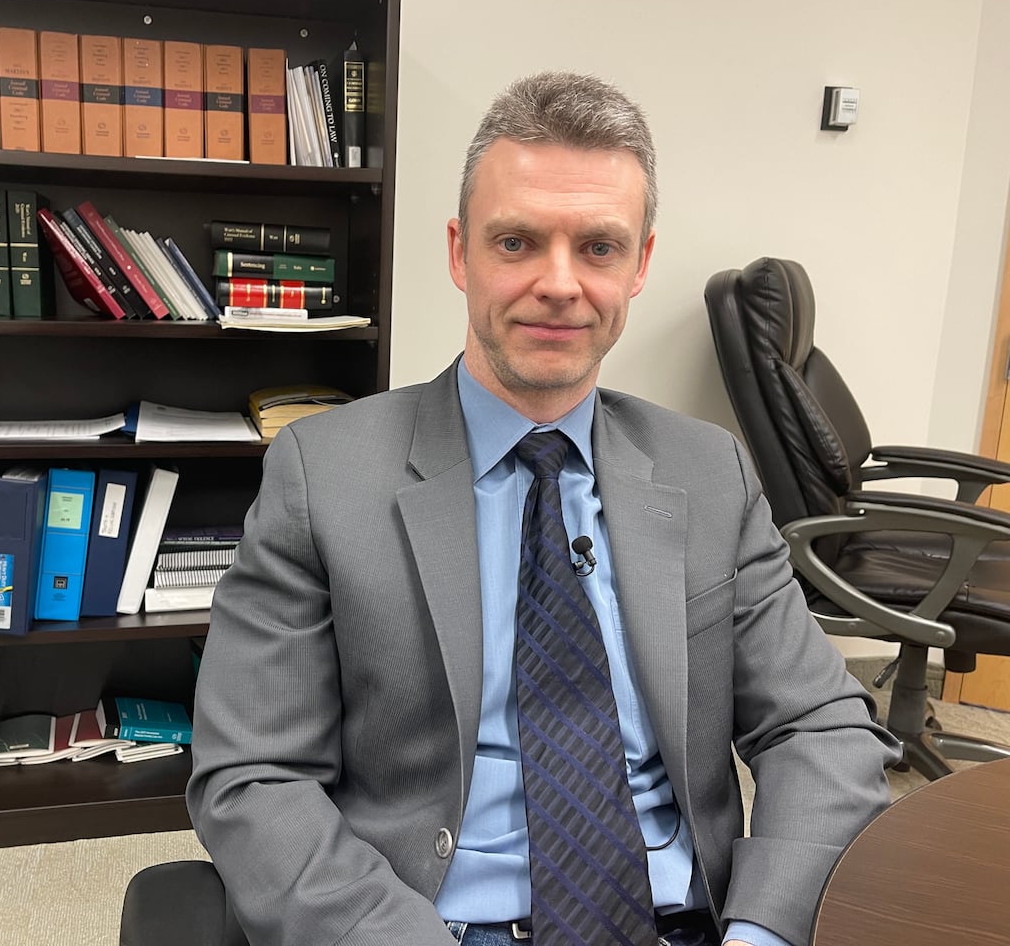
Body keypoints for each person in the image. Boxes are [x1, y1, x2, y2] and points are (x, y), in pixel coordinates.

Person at [186, 71, 901, 946]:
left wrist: (763, 931)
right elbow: (253, 777)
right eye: (517, 241)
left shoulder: (710, 470)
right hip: (428, 925)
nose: (559, 284)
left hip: (685, 925)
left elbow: (818, 724)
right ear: (459, 253)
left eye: (598, 248)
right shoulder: (323, 474)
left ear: (640, 264)